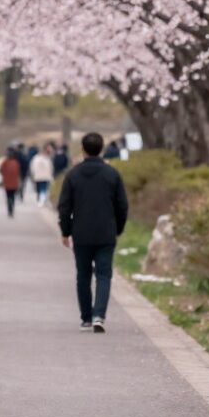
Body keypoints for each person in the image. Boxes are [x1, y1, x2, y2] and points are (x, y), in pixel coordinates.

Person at [58, 131, 129, 333]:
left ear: (83, 150)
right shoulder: (112, 174)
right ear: (101, 150)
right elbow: (122, 206)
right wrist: (119, 228)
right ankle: (99, 315)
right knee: (104, 275)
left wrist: (65, 231)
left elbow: (64, 206)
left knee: (83, 275)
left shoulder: (72, 174)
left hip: (81, 233)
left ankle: (86, 318)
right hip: (106, 232)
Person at [0, 145, 21, 217]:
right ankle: (12, 208)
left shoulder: (5, 162)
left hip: (7, 182)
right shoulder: (16, 163)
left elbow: (0, 170)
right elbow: (18, 172)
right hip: (14, 183)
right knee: (13, 197)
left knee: (8, 196)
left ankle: (9, 209)